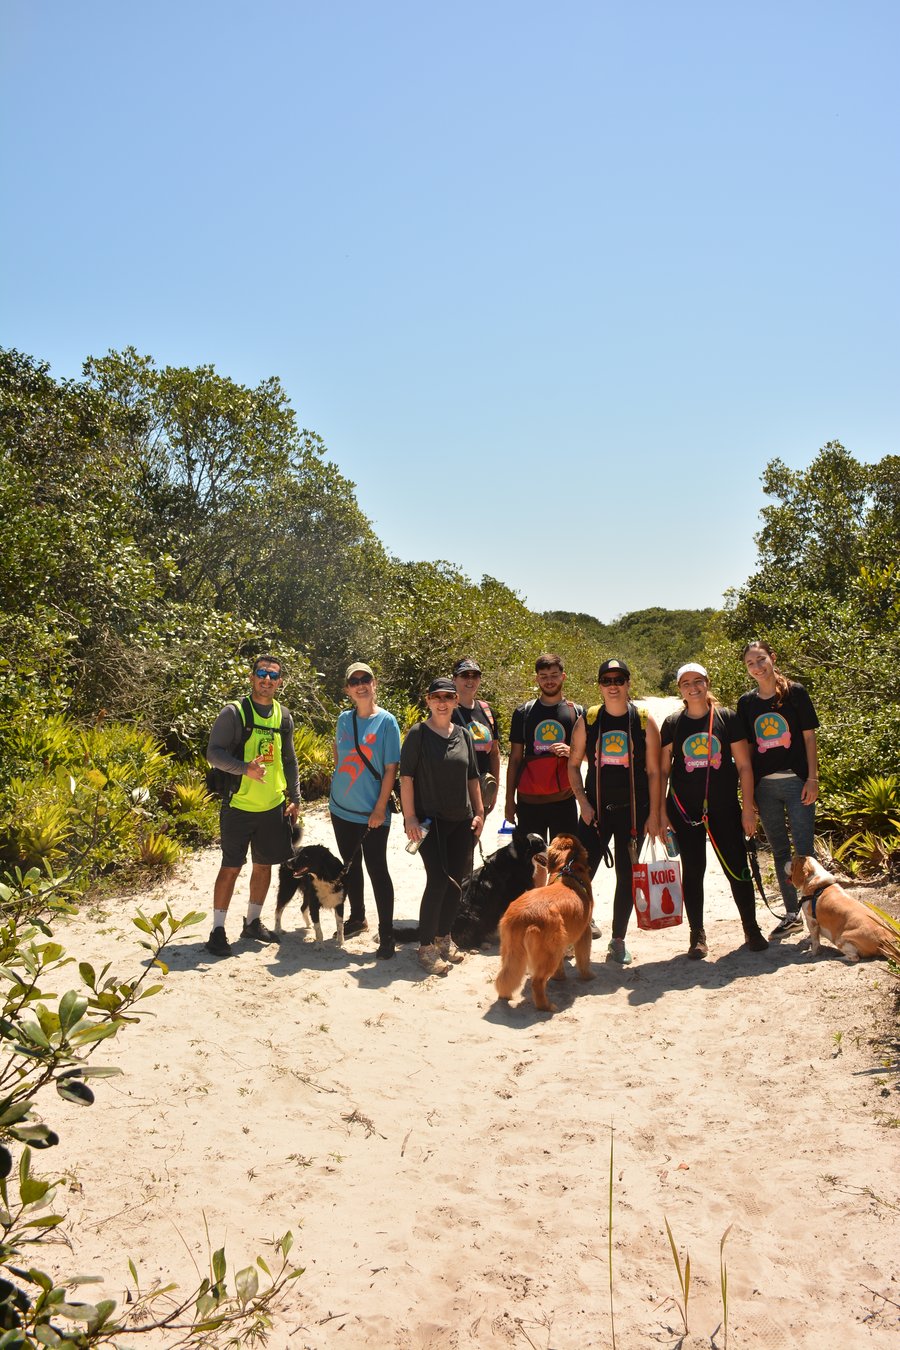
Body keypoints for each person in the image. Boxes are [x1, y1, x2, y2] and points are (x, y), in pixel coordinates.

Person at [660, 664, 769, 958]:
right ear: (679, 689)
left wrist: (749, 809)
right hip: (684, 810)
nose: (692, 687)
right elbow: (661, 772)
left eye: (698, 681)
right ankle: (697, 935)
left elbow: (744, 766)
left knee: (736, 866)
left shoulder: (726, 718)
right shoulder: (673, 723)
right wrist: (661, 813)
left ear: (707, 683)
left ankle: (751, 927)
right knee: (694, 871)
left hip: (724, 808)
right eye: (686, 683)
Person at [205, 655, 300, 956]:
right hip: (238, 806)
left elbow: (289, 759)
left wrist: (295, 797)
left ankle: (253, 922)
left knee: (264, 865)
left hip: (273, 806)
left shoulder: (283, 716)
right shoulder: (234, 712)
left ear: (280, 681)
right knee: (231, 867)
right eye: (262, 673)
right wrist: (244, 768)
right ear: (251, 677)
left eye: (273, 675)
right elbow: (214, 754)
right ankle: (218, 930)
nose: (267, 680)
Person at [567, 658, 661, 965]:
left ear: (628, 684)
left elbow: (655, 773)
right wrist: (582, 802)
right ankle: (571, 936)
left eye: (618, 680)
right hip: (595, 813)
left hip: (633, 814)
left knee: (627, 877)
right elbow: (572, 763)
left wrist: (654, 814)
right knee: (580, 875)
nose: (613, 686)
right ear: (599, 686)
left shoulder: (643, 720)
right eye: (606, 680)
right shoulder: (589, 721)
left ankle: (618, 940)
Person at [400, 678, 485, 976]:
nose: (442, 701)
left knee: (455, 883)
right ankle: (425, 948)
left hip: (461, 820)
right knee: (437, 880)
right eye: (436, 696)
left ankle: (444, 940)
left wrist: (480, 812)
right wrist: (409, 817)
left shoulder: (463, 734)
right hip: (428, 821)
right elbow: (406, 778)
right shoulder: (418, 734)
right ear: (428, 700)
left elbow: (473, 777)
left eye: (448, 696)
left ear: (454, 701)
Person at [738, 639, 820, 937]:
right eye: (751, 663)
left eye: (761, 660)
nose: (757, 667)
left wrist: (813, 778)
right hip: (765, 788)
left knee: (805, 851)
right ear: (746, 669)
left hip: (798, 782)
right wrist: (748, 795)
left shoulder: (795, 693)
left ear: (772, 658)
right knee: (779, 850)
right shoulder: (747, 703)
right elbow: (746, 749)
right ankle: (792, 913)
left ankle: (814, 912)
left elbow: (809, 738)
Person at [329, 662, 401, 959]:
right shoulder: (344, 719)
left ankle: (386, 935)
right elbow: (338, 755)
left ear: (375, 684)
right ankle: (358, 917)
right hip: (340, 807)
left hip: (372, 812)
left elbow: (390, 769)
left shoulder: (387, 722)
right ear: (347, 689)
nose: (361, 685)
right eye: (354, 681)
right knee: (350, 864)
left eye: (365, 679)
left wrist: (380, 808)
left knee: (377, 870)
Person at [505, 653, 583, 841]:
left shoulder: (577, 712)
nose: (549, 681)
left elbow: (589, 755)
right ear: (536, 678)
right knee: (532, 864)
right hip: (529, 802)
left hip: (564, 801)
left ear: (563, 676)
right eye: (544, 676)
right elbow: (515, 759)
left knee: (564, 863)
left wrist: (571, 752)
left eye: (554, 675)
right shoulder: (523, 713)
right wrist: (509, 801)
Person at [451, 658, 501, 815]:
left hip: (482, 788)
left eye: (475, 676)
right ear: (454, 679)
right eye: (465, 675)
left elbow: (494, 753)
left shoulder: (486, 710)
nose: (470, 680)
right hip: (454, 791)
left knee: (473, 838)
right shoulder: (446, 710)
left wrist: (495, 789)